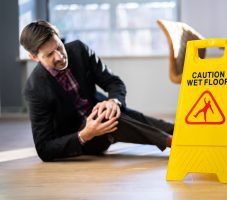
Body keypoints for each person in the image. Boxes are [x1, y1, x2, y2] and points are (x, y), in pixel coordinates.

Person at [21, 20, 174, 162]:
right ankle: (174, 144)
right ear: (34, 57)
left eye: (59, 47)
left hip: (105, 115)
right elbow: (44, 149)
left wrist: (113, 101)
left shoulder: (78, 50)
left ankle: (183, 133)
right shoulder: (34, 90)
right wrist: (85, 135)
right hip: (84, 139)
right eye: (49, 55)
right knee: (108, 118)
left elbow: (113, 82)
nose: (60, 56)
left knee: (158, 124)